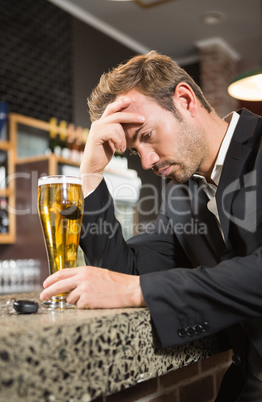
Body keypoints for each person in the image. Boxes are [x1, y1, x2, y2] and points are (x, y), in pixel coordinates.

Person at [40, 51, 262, 401]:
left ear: (185, 100)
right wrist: (91, 176)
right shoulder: (181, 197)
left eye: (146, 134)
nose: (146, 161)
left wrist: (137, 290)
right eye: (133, 149)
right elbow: (122, 273)